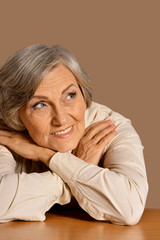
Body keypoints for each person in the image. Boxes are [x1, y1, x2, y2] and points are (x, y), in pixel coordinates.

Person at [0, 44, 148, 225]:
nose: (61, 119)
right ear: (16, 113)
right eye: (40, 105)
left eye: (70, 96)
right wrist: (74, 173)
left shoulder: (110, 126)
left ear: (83, 91)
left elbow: (129, 209)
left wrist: (48, 157)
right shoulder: (7, 134)